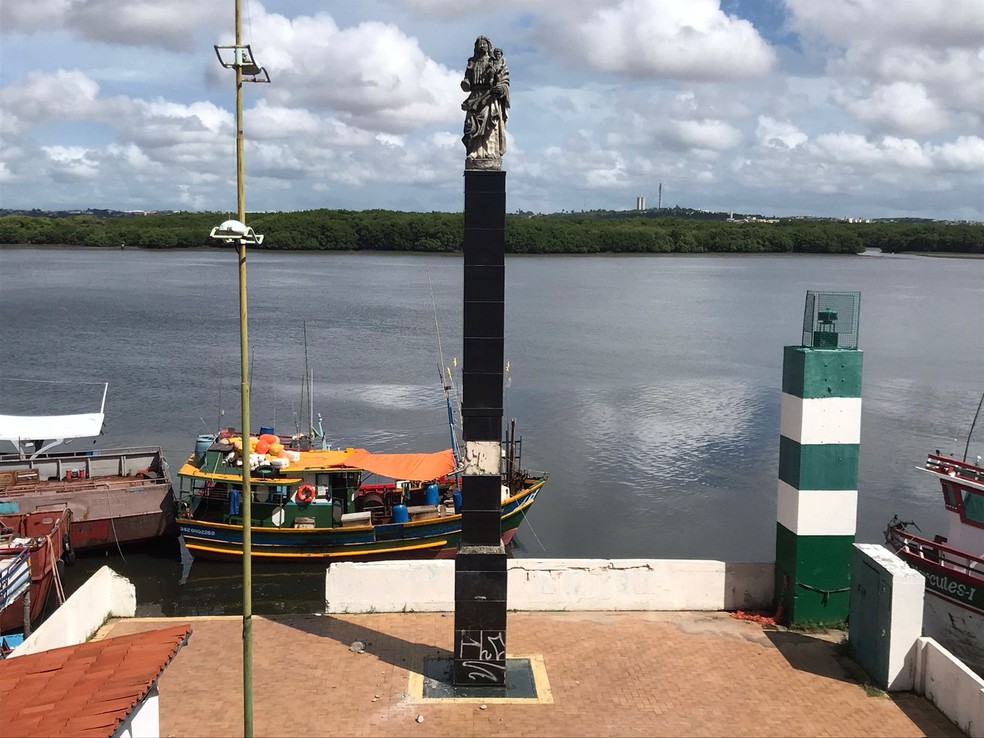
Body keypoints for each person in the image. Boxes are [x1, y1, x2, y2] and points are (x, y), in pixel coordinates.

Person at [461, 37, 510, 162]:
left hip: (489, 96)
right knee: (471, 126)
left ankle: (490, 152)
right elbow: (467, 82)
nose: (482, 45)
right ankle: (474, 152)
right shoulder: (472, 62)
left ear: (489, 46)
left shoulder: (494, 61)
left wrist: (500, 88)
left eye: (484, 43)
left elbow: (504, 80)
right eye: (479, 44)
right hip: (475, 97)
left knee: (489, 125)